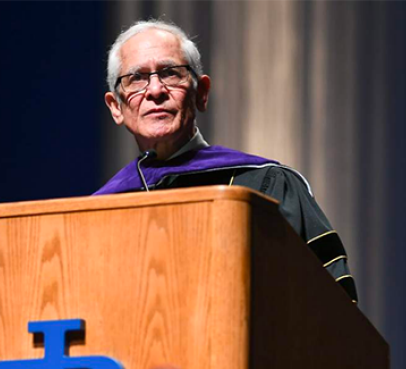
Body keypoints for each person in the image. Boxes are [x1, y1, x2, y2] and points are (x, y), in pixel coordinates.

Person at [95, 20, 357, 303]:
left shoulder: (265, 185)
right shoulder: (98, 211)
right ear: (116, 107)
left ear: (201, 93)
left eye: (170, 73)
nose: (155, 90)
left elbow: (335, 309)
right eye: (136, 78)